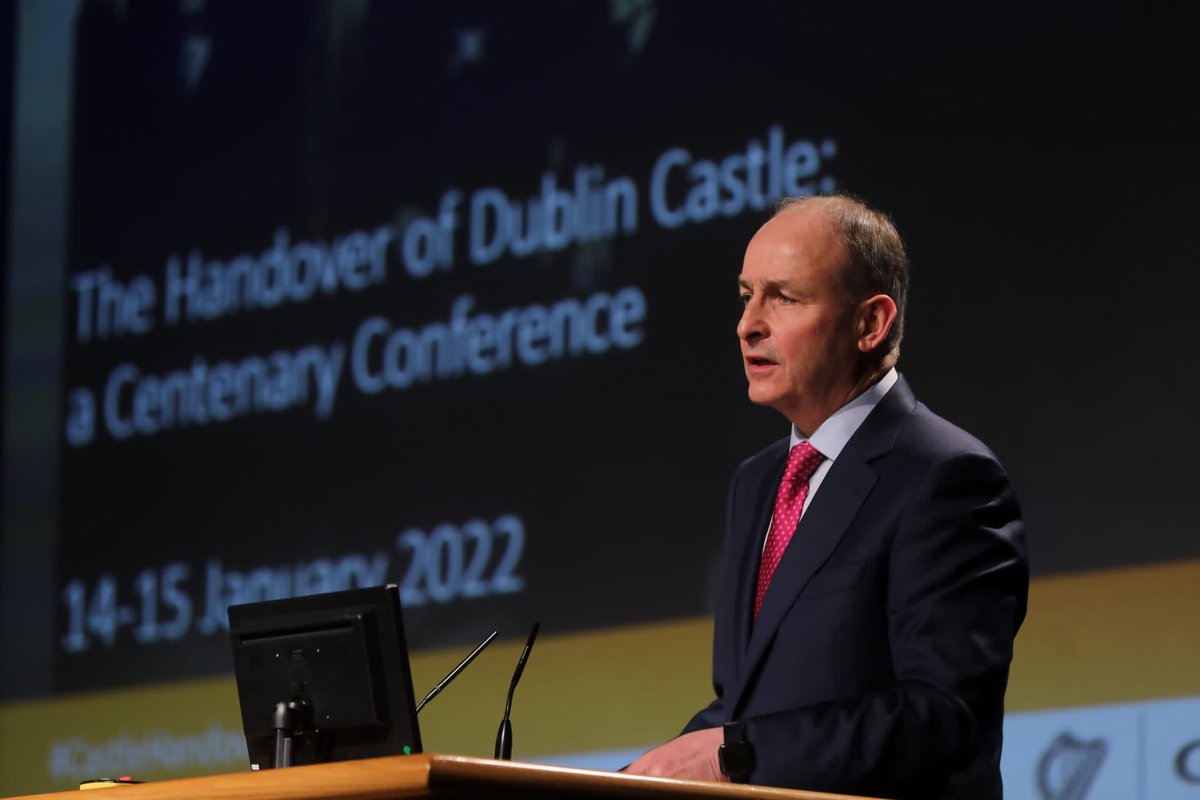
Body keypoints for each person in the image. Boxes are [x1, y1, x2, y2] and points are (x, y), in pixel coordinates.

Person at [624, 195, 1028, 799]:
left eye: (783, 298)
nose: (747, 325)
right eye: (745, 296)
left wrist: (734, 753)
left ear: (870, 323)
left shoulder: (946, 476)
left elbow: (943, 719)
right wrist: (630, 780)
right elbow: (745, 704)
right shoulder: (757, 483)